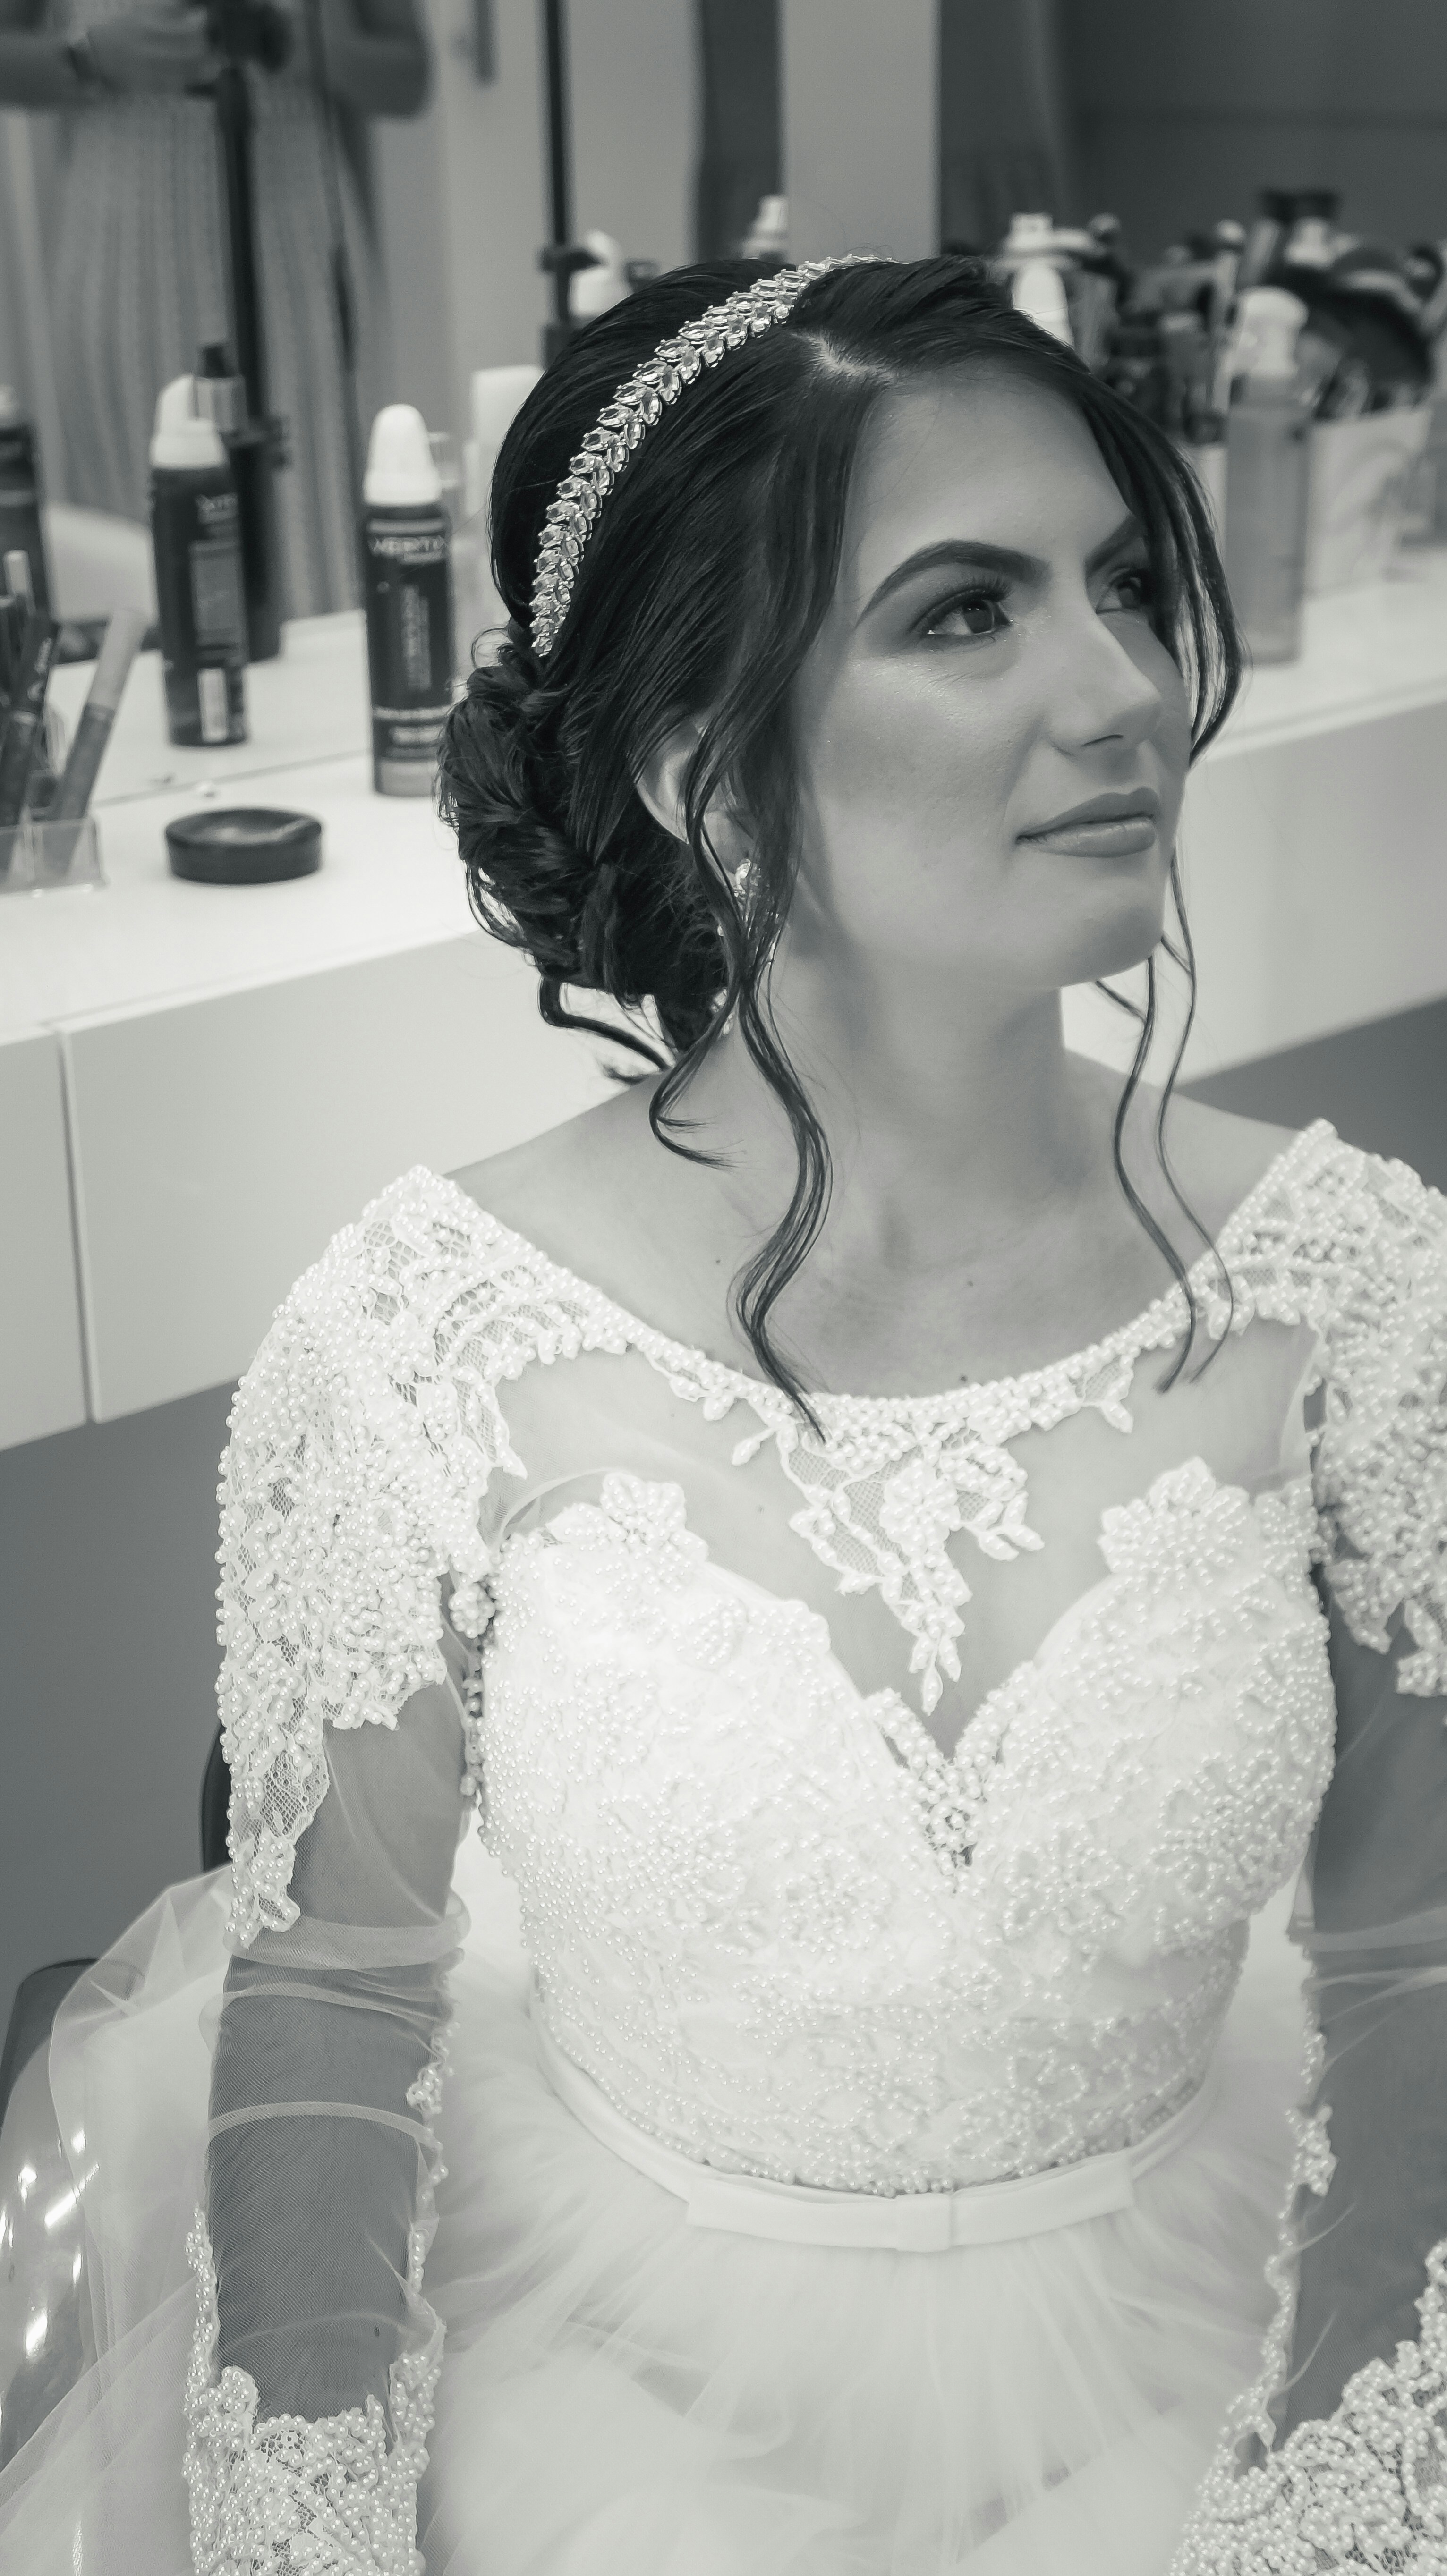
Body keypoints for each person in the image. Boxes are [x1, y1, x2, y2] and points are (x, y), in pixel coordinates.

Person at [0, 254, 1444, 2573]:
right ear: (700, 759)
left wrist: (1342, 2498)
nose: (1119, 688)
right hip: (604, 2392)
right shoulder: (413, 1334)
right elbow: (339, 2006)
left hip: (1215, 2339)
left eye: (1111, 584)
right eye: (961, 614)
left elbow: (1410, 1966)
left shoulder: (1361, 1288)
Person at [0, 0, 429, 615]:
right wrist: (90, 57)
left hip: (300, 260)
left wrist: (311, 46)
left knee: (321, 549)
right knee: (143, 563)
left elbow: (408, 74)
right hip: (123, 271)